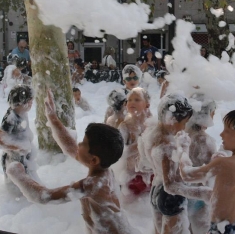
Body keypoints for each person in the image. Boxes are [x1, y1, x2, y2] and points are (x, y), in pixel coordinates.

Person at [7, 91, 134, 234]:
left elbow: (44, 196)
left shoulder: (93, 185)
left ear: (94, 159)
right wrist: (53, 119)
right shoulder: (102, 169)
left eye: (84, 143)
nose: (78, 144)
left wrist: (18, 175)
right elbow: (71, 148)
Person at [179, 109, 235, 234]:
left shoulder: (224, 163)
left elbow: (187, 175)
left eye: (227, 131)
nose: (221, 134)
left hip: (223, 228)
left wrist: (183, 149)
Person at [137, 93, 211, 234]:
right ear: (171, 119)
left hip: (155, 191)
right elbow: (170, 185)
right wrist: (200, 192)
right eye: (183, 123)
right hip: (171, 198)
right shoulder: (168, 146)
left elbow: (142, 163)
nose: (184, 128)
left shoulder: (151, 133)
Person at [184, 94, 217, 234]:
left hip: (184, 192)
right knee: (202, 228)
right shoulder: (204, 140)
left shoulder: (183, 135)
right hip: (200, 193)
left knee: (186, 227)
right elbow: (212, 170)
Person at [117, 87, 152, 201]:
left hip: (152, 175)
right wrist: (139, 144)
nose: (132, 102)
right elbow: (119, 153)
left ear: (147, 105)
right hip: (132, 177)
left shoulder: (153, 124)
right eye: (129, 100)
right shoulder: (125, 126)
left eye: (137, 100)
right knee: (134, 205)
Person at [0, 85, 38, 183]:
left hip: (23, 157)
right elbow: (1, 139)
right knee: (19, 184)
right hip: (13, 159)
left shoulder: (21, 113)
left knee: (29, 182)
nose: (31, 103)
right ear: (21, 102)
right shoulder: (11, 119)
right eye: (30, 101)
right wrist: (18, 147)